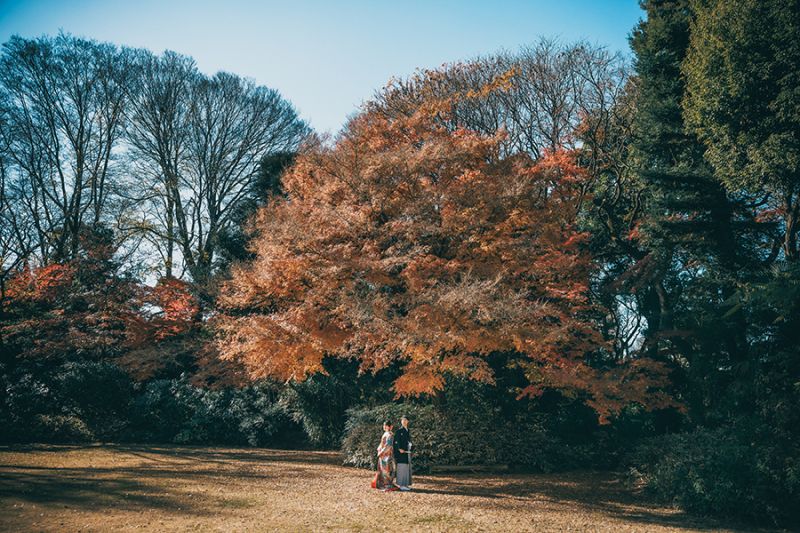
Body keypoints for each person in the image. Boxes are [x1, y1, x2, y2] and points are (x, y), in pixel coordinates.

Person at [371, 420, 398, 491]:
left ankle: (388, 484)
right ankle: (383, 483)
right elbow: (382, 444)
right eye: (384, 425)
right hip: (383, 454)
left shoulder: (390, 435)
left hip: (388, 454)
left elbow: (388, 445)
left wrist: (382, 452)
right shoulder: (385, 434)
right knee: (383, 469)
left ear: (390, 427)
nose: (384, 427)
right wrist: (380, 450)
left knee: (388, 469)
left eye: (386, 425)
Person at [394, 414, 412, 490]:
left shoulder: (408, 430)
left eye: (405, 420)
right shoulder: (399, 431)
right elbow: (396, 441)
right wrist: (399, 448)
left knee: (406, 467)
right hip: (401, 452)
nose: (403, 421)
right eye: (402, 420)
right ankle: (401, 485)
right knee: (401, 467)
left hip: (407, 451)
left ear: (408, 421)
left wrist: (410, 444)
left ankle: (405, 483)